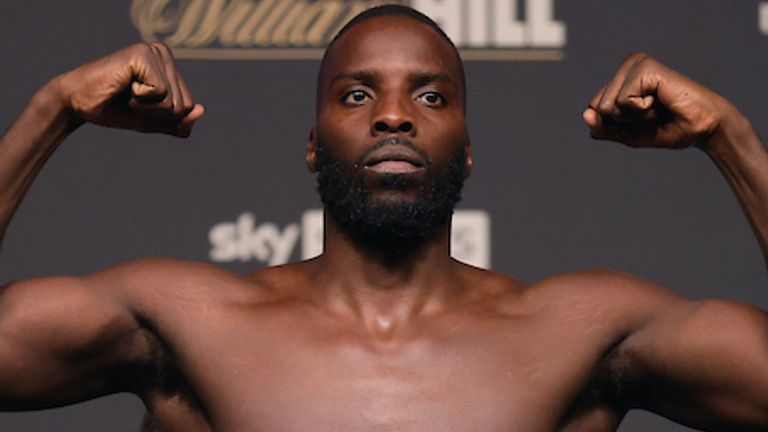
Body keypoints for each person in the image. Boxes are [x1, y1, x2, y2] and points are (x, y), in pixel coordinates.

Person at [1, 4, 766, 432]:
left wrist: (729, 138)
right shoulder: (189, 325)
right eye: (357, 95)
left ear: (467, 151)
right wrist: (50, 112)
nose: (394, 115)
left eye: (431, 97)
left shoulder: (583, 333)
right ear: (311, 146)